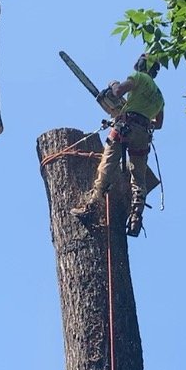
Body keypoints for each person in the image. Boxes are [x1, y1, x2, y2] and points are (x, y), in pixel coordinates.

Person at [72, 54, 164, 237]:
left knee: (107, 164)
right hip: (143, 134)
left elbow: (118, 92)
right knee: (138, 177)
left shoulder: (138, 77)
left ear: (143, 64)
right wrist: (141, 120)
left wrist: (113, 84)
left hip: (125, 127)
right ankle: (136, 215)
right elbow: (159, 124)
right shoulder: (160, 96)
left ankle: (92, 204)